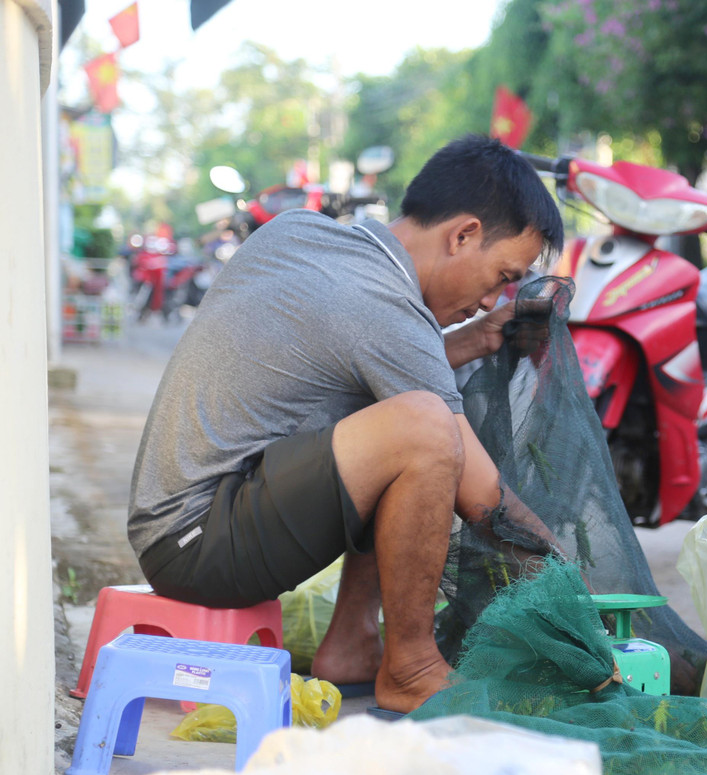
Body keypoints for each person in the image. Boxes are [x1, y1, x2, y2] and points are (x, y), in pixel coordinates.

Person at [127, 135, 565, 714]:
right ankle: (411, 667)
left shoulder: (300, 233)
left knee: (393, 415)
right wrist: (566, 576)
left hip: (177, 523)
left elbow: (346, 356)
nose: (493, 301)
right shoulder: (384, 308)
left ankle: (353, 645)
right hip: (200, 549)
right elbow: (483, 497)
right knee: (426, 429)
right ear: (462, 235)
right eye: (501, 274)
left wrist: (466, 343)